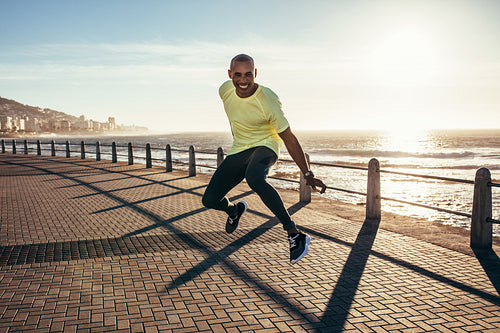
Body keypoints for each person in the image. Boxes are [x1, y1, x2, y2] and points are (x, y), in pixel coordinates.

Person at [202, 54, 327, 264]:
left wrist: (307, 174)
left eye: (248, 74)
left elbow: (288, 137)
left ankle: (294, 233)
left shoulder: (267, 100)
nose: (243, 80)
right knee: (210, 200)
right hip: (240, 149)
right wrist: (238, 139)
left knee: (255, 179)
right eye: (238, 75)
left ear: (255, 73)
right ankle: (234, 210)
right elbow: (234, 116)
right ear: (230, 74)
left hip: (266, 145)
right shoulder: (225, 90)